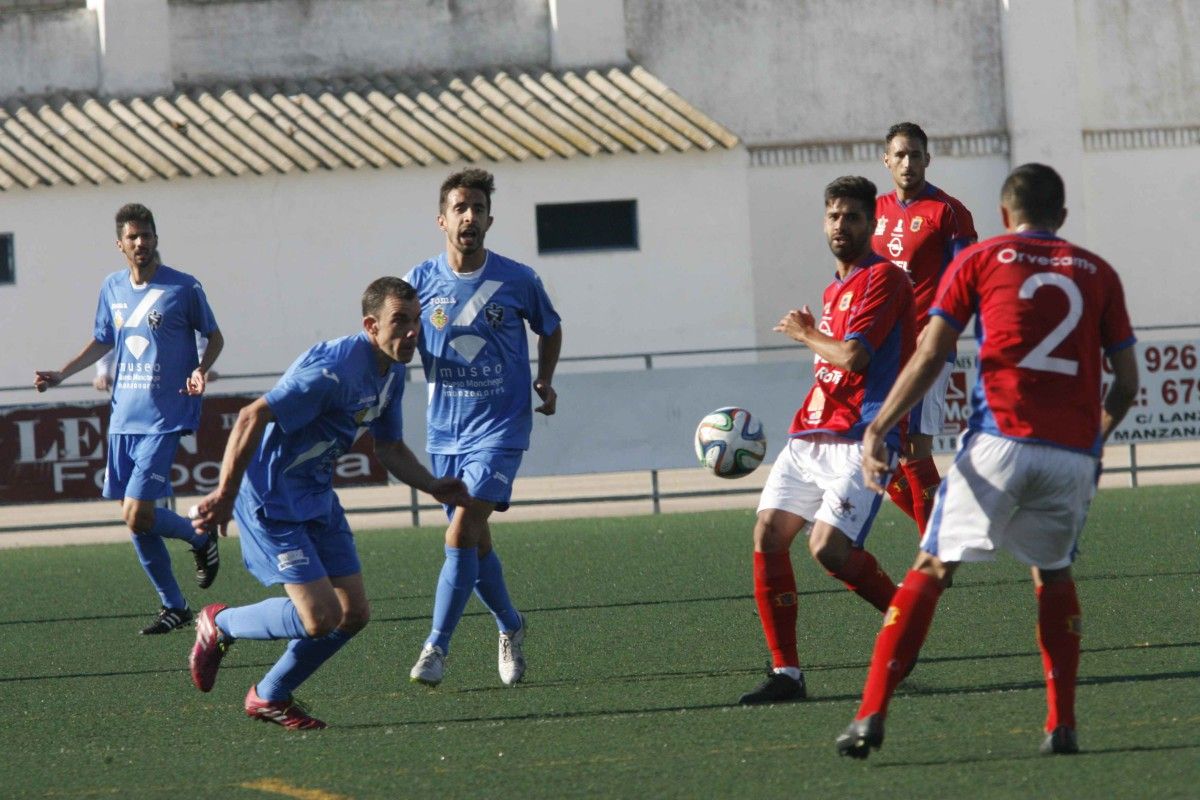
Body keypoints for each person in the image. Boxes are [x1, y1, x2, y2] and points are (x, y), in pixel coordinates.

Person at [836, 164, 1139, 759]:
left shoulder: (980, 259)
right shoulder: (1099, 272)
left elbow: (930, 352)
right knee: (1052, 575)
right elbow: (1126, 383)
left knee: (932, 565)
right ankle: (1062, 724)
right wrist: (1095, 443)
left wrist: (878, 424)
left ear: (1004, 216)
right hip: (1069, 456)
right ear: (1064, 217)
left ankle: (871, 714)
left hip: (999, 440)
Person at [186, 277, 470, 729]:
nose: (414, 331)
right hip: (271, 496)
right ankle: (221, 625)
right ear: (371, 325)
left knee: (353, 614)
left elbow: (390, 447)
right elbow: (250, 416)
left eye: (417, 321)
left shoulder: (393, 371)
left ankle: (269, 696)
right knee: (320, 618)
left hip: (316, 495)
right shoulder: (333, 370)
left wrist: (433, 485)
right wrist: (224, 493)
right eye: (401, 321)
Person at [739, 176, 916, 705]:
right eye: (835, 216)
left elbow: (855, 358)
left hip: (862, 438)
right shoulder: (835, 287)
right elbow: (835, 359)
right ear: (825, 222)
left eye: (854, 217)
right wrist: (816, 332)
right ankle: (787, 674)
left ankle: (908, 618)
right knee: (768, 534)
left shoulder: (884, 279)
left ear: (872, 224)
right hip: (810, 433)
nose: (843, 225)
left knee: (829, 549)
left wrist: (805, 334)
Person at [403, 168, 562, 688]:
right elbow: (394, 337)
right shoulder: (420, 282)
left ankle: (435, 647)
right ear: (442, 220)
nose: (469, 217)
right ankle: (510, 626)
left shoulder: (517, 279)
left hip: (501, 427)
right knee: (477, 541)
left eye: (478, 209)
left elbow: (551, 327)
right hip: (445, 432)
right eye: (460, 209)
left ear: (490, 218)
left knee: (460, 530)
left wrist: (544, 380)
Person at [34, 203, 224, 635]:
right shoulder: (112, 287)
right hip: (123, 417)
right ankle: (174, 606)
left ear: (157, 238)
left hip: (165, 416)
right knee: (135, 519)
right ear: (119, 244)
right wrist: (62, 374)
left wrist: (199, 369)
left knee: (138, 513)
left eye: (147, 235)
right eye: (133, 237)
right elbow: (103, 340)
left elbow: (213, 335)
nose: (141, 243)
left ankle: (200, 536)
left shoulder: (183, 287)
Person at [872, 122, 977, 535]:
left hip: (925, 350)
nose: (908, 162)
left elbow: (967, 281)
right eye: (899, 155)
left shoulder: (948, 212)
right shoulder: (874, 211)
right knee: (877, 450)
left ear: (927, 159)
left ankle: (933, 557)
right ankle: (944, 531)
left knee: (914, 450)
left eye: (915, 154)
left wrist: (940, 331)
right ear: (886, 160)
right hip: (881, 351)